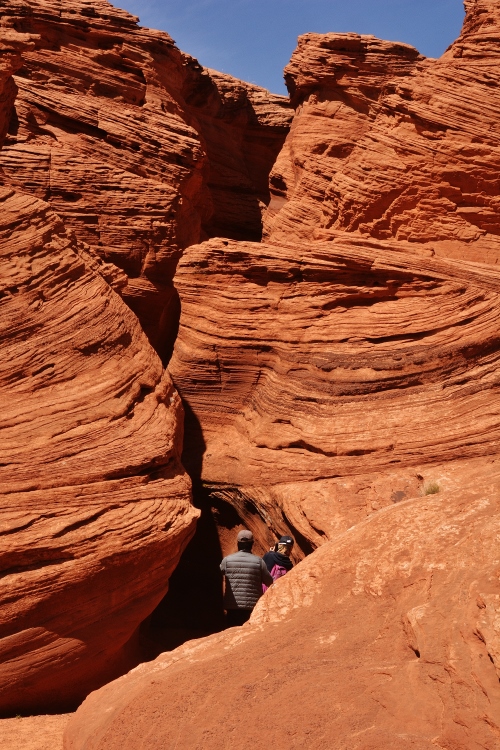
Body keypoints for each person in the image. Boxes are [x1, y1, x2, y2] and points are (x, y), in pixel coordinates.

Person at [220, 529, 273, 627]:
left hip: (232, 606)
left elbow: (218, 574)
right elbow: (269, 582)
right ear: (252, 544)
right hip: (252, 607)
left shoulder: (227, 560)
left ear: (238, 544)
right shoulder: (259, 562)